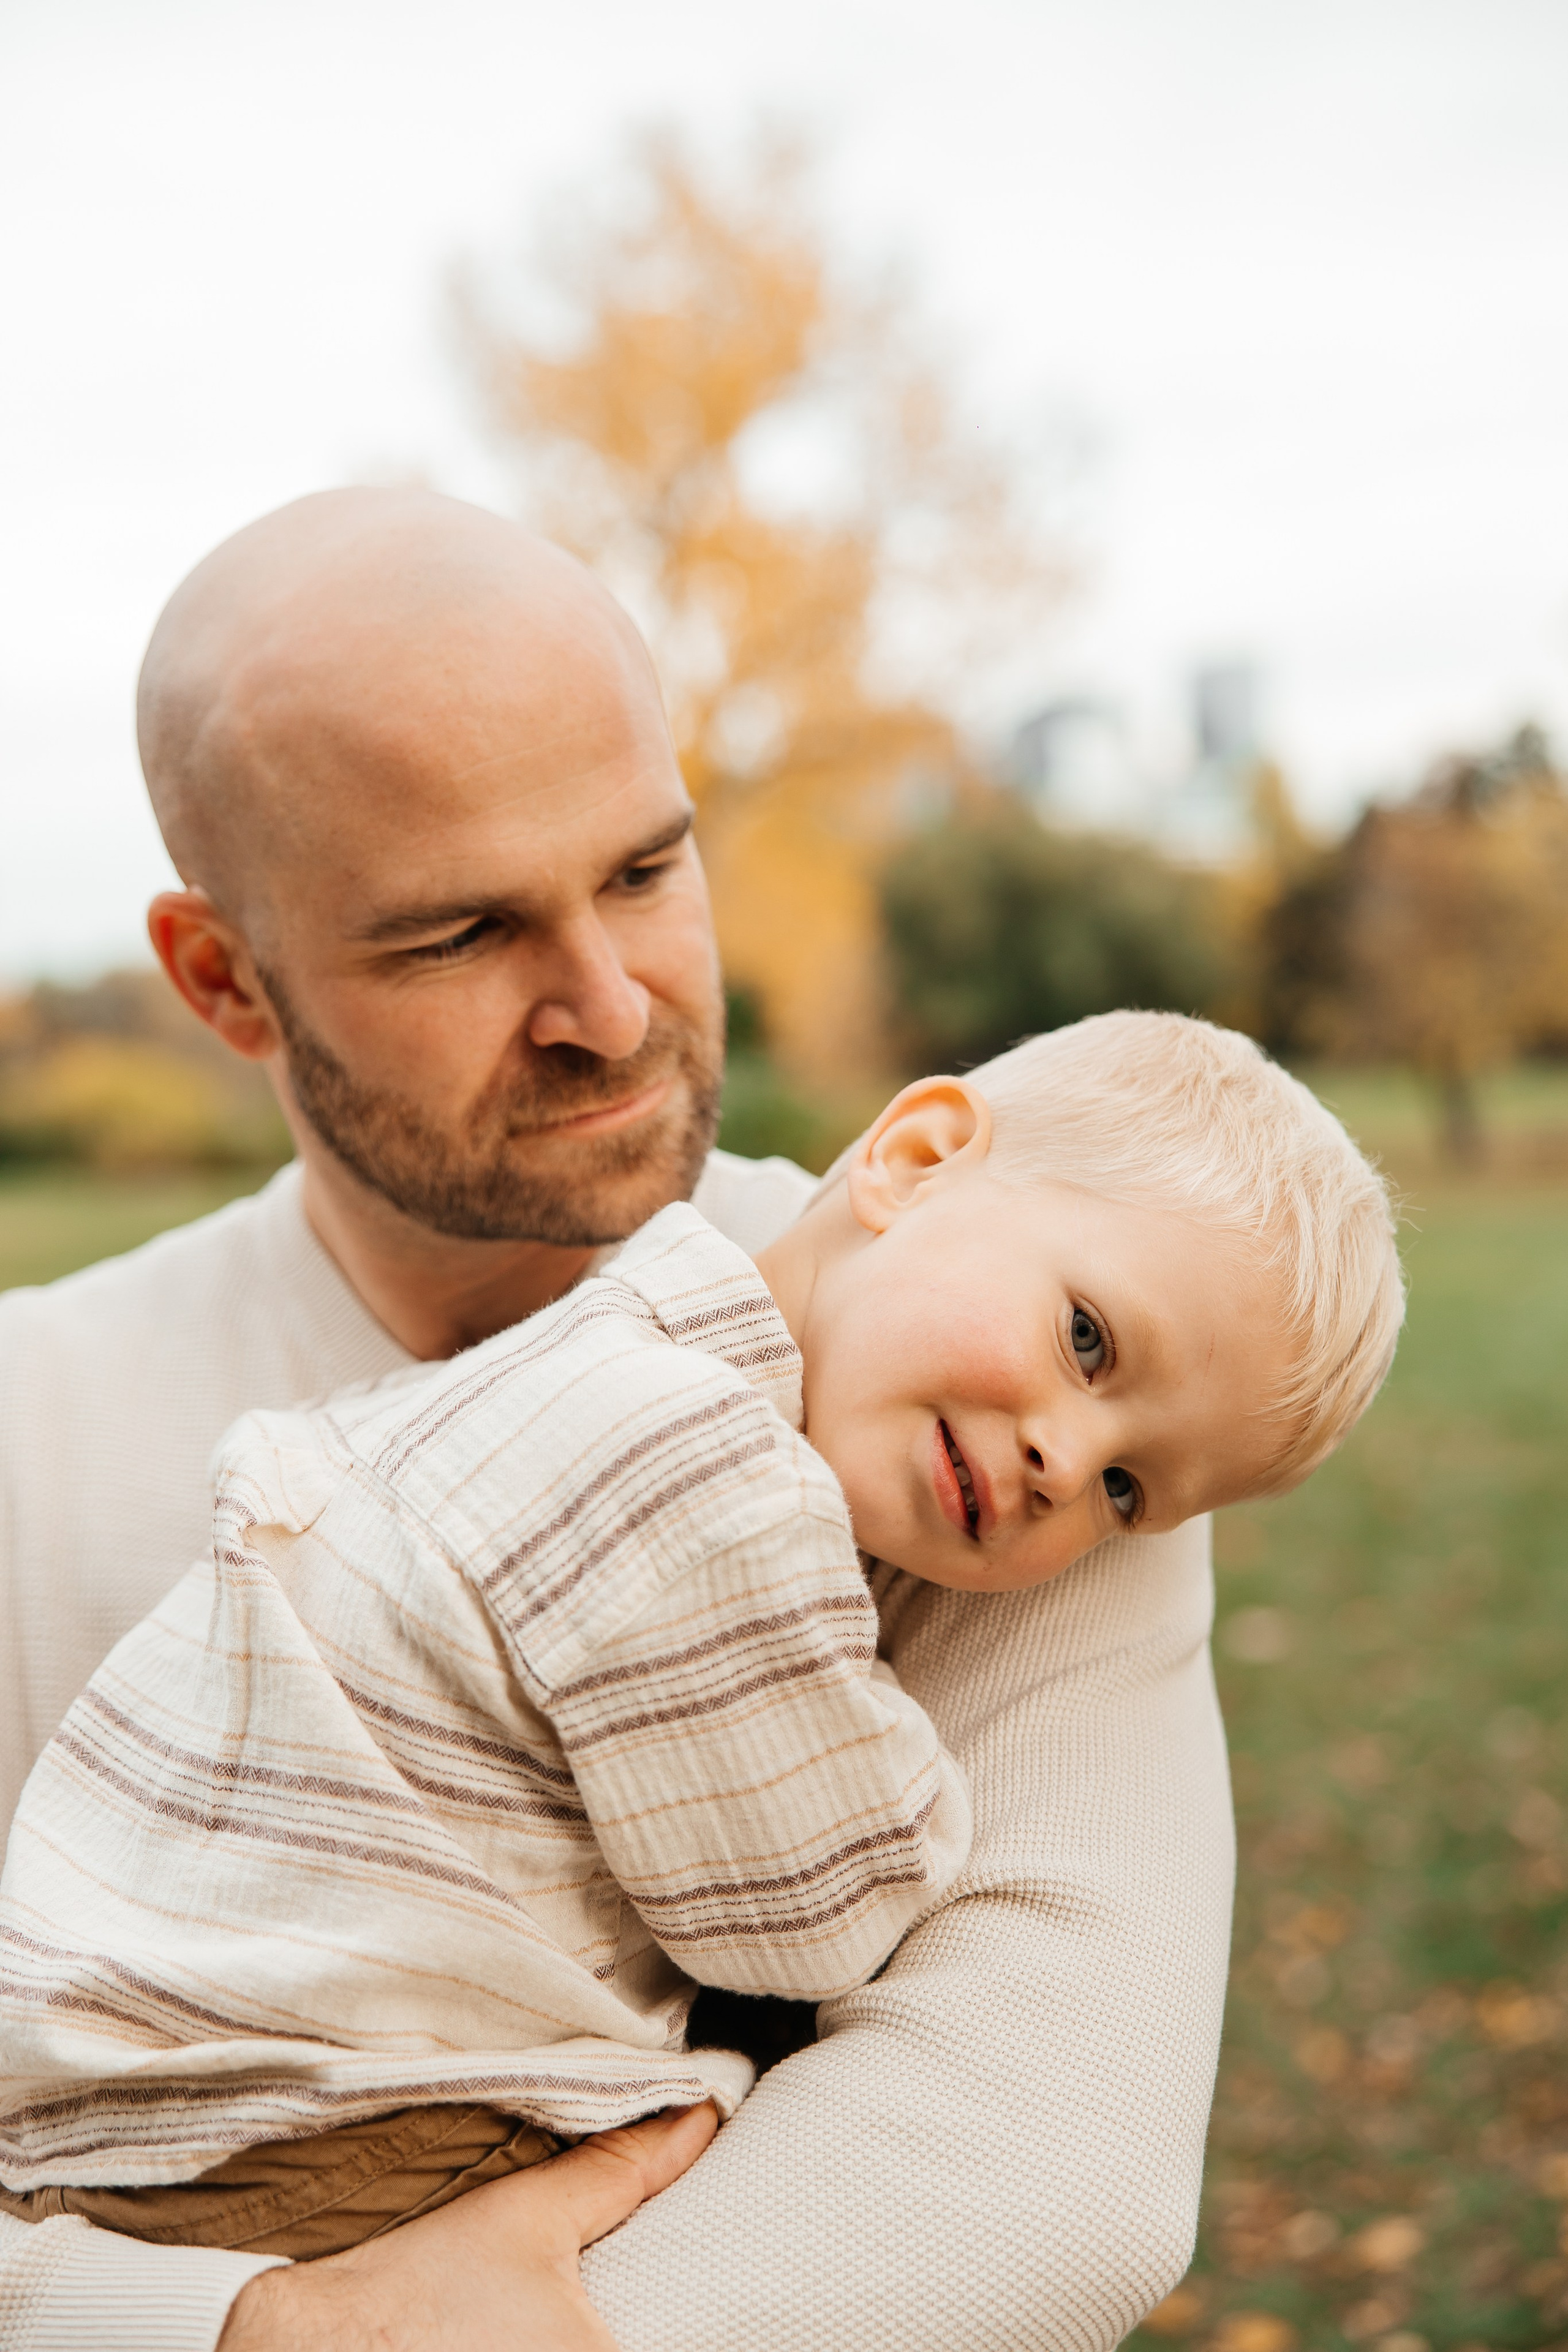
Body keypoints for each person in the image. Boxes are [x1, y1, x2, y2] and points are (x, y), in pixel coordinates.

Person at [0, 489, 1235, 2352]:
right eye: (460, 935)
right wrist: (239, 2331)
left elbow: (1044, 2164)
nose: (611, 1004)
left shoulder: (1010, 1407)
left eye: (647, 872)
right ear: (222, 982)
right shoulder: (34, 1423)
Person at [0, 1015, 1403, 2263]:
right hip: (285, 2117)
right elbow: (812, 1914)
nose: (1062, 1455)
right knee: (681, 2137)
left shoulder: (626, 1336)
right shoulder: (699, 1473)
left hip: (166, 2075)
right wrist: (910, 1796)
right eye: (1088, 1344)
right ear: (909, 1160)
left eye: (1123, 1490)